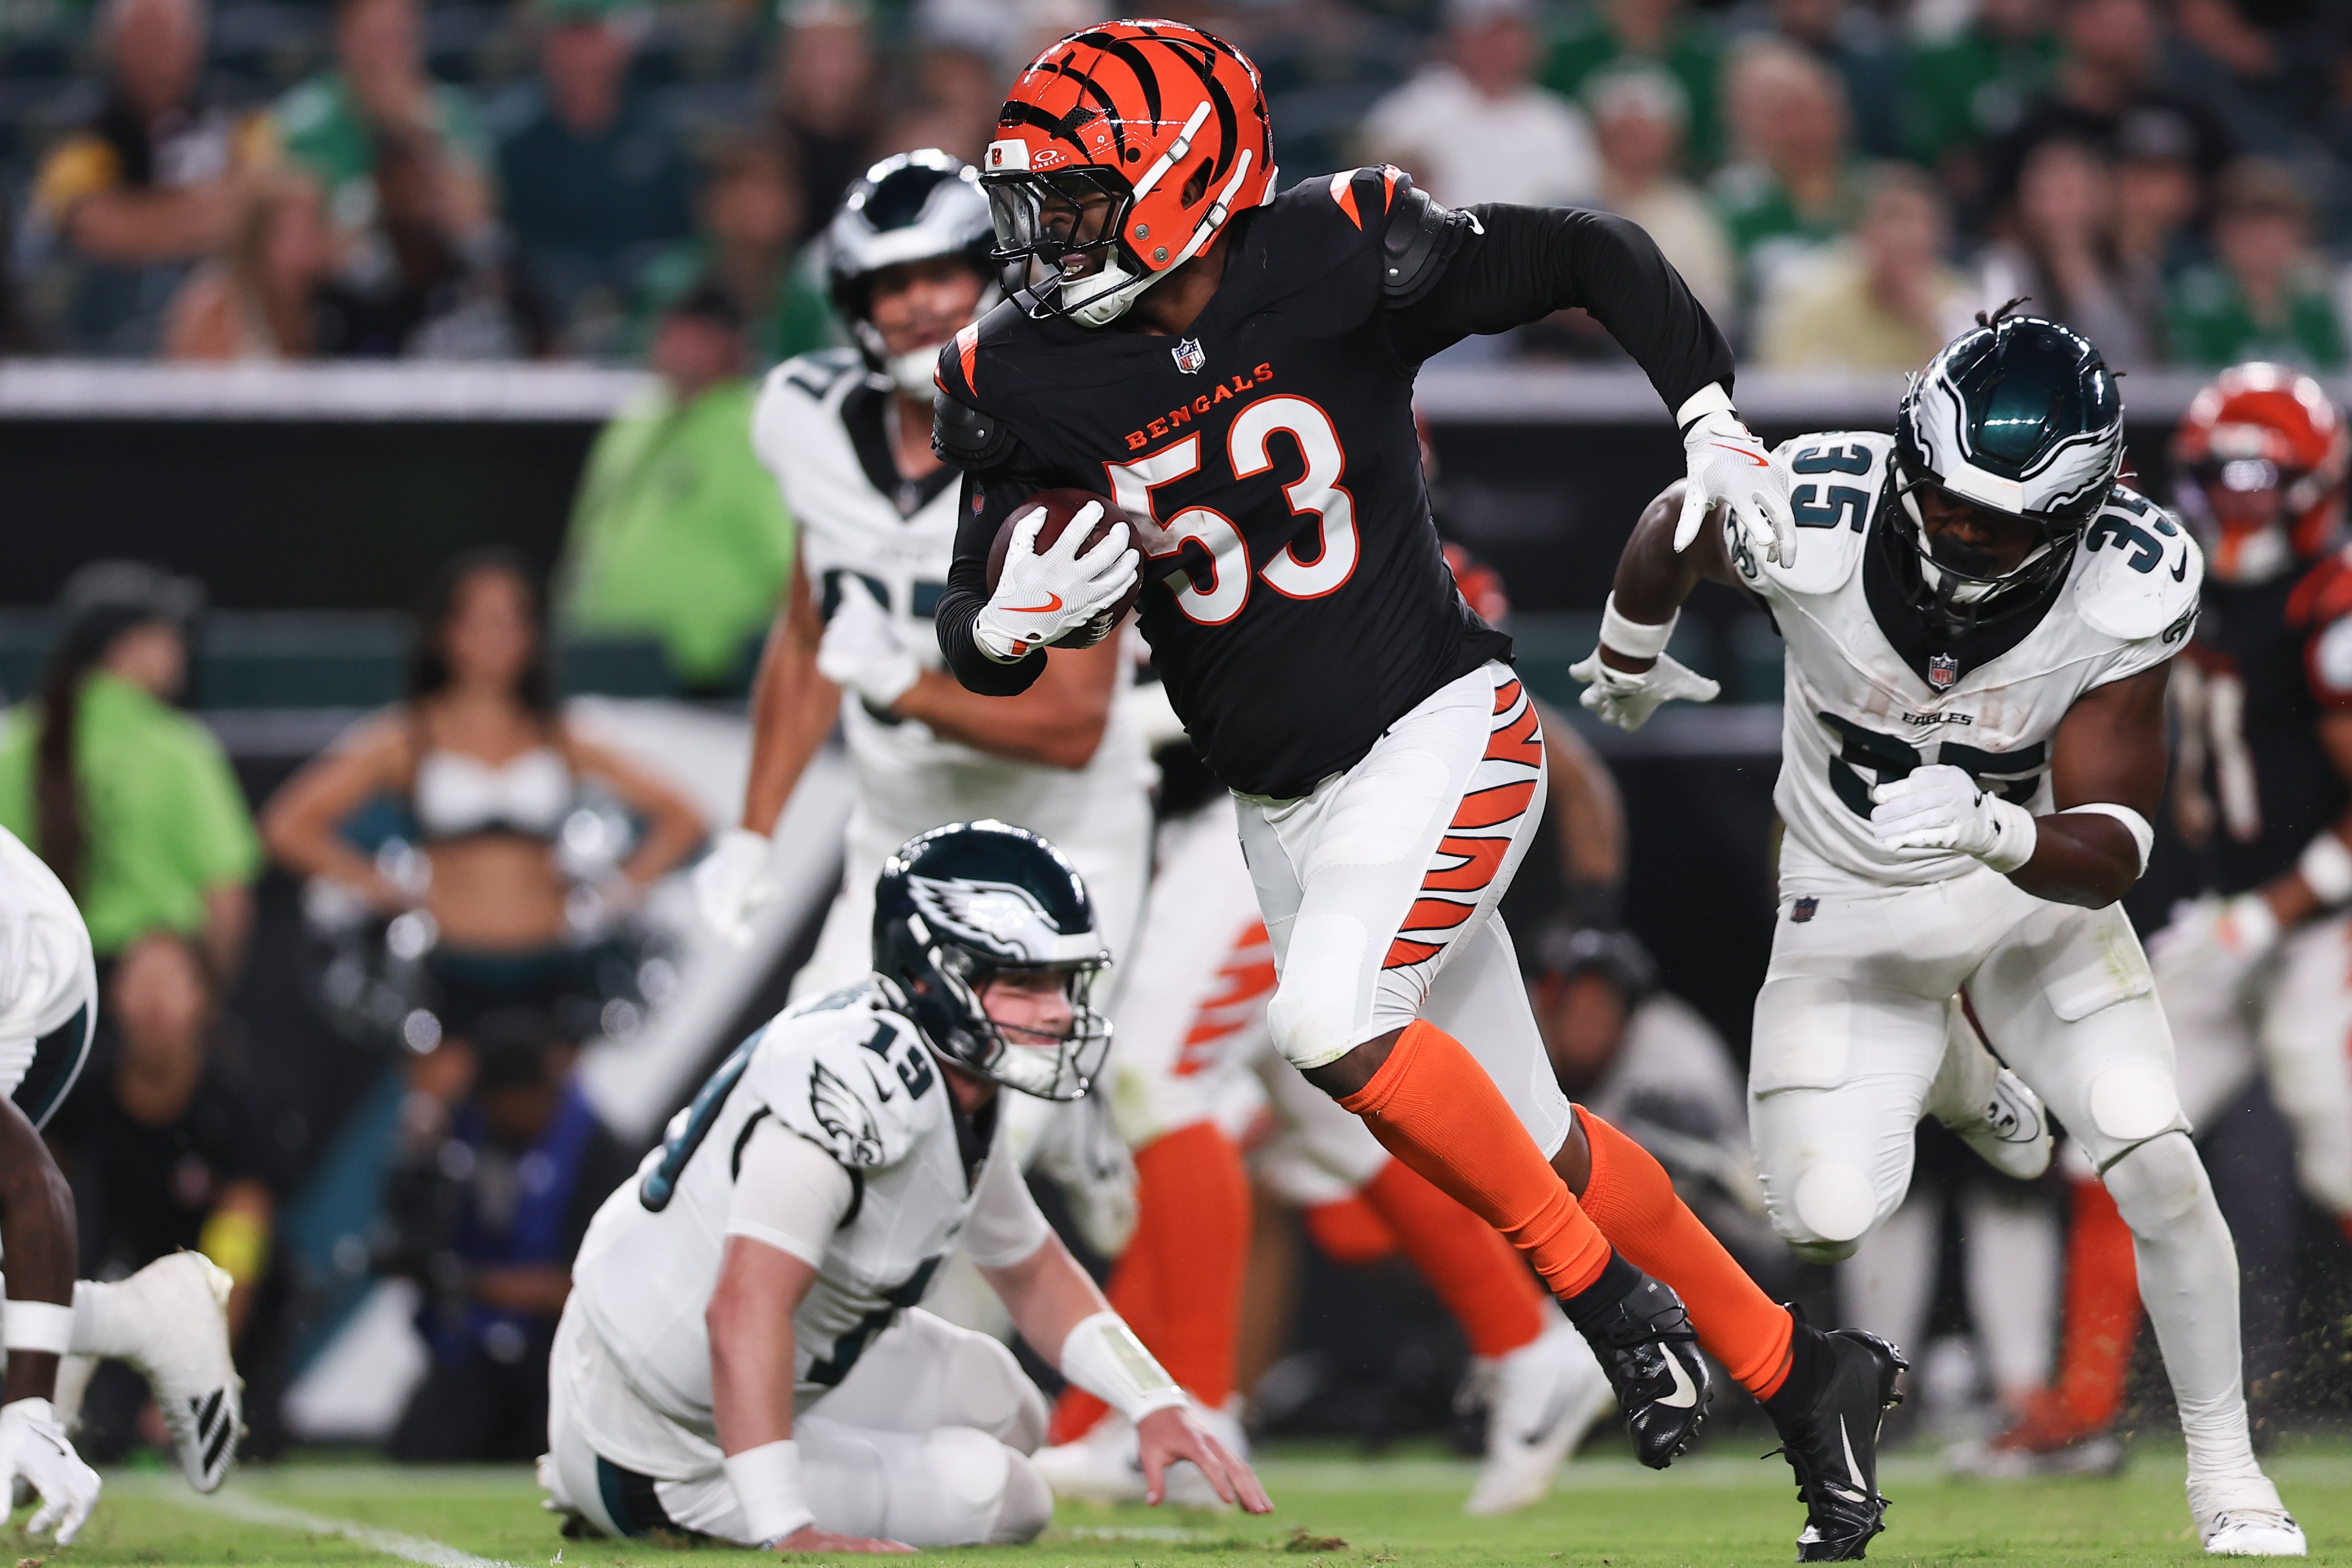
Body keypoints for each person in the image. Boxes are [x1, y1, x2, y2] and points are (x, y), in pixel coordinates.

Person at [933, 20, 1906, 1562]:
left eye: (1070, 200)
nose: (1040, 241)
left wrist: (1709, 415)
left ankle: (1599, 1302)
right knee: (1539, 1135)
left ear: (1184, 184)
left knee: (1328, 1023)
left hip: (1439, 728)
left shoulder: (1333, 252)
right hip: (1279, 808)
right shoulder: (1023, 374)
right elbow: (969, 617)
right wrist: (994, 625)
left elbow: (1590, 251)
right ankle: (1805, 1373)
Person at [1575, 306, 2305, 1556]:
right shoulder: (1811, 501)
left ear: (2076, 521)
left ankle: (2227, 1472)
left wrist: (1992, 826)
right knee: (1818, 1213)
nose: (1957, 533)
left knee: (2150, 1142)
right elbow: (1668, 527)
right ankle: (1969, 1075)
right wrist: (1629, 655)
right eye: (1945, 497)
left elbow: (2116, 839)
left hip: (2026, 900)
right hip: (1846, 905)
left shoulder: (2129, 581)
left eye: (1997, 521)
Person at [543, 822, 1270, 1548]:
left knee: (1003, 1403)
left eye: (1061, 981)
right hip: (657, 1436)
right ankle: (626, 1495)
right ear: (930, 977)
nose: (1056, 1010)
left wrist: (1153, 1402)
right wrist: (787, 1527)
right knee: (1004, 1495)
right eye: (1023, 981)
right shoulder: (853, 1091)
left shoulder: (944, 1077)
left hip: (760, 1366)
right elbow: (742, 1308)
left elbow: (1035, 1274)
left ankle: (769, 1458)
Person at [1037, 769, 1617, 1519]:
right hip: (1275, 813)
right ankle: (1524, 1344)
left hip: (1281, 810)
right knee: (1322, 1117)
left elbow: (1081, 721)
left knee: (1157, 1077)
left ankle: (1199, 1413)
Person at [1984, 364, 2352, 1470]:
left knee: (2335, 1143)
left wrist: (2277, 908)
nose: (2237, 501)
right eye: (2220, 477)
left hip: (2323, 914)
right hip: (2230, 911)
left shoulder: (2327, 601)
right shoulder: (2169, 584)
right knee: (2111, 1132)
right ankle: (2085, 1409)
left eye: (2259, 478)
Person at [262, 550, 703, 1044]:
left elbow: (683, 817)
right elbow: (288, 825)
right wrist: (378, 886)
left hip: (552, 971)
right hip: (448, 976)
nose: (495, 637)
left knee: (553, 1115)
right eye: (479, 621)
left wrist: (611, 895)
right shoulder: (406, 738)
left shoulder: (561, 736)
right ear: (444, 633)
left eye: (512, 621)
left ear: (532, 637)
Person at [380, 1010, 636, 1462]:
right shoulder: (459, 1140)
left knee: (564, 1452)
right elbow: (408, 1224)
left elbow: (589, 1289)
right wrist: (422, 1130)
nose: (504, 1117)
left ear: (542, 1093)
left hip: (561, 1357)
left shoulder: (599, 1154)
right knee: (423, 1449)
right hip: (473, 1356)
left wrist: (469, 1282)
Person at [23, 0, 266, 354]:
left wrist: (144, 221)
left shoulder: (238, 118)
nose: (156, 52)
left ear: (195, 43)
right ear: (110, 45)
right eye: (142, 37)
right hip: (101, 334)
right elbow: (88, 223)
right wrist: (210, 216)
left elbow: (263, 209)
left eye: (169, 35)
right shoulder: (79, 132)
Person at [495, 0, 694, 356]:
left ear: (619, 42)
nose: (580, 54)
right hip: (537, 332)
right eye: (568, 36)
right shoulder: (509, 143)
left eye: (592, 36)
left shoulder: (664, 138)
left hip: (651, 325)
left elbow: (683, 245)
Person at [1359, 0, 1600, 211]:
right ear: (1460, 37)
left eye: (1512, 33)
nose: (1502, 47)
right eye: (1489, 35)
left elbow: (1580, 203)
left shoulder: (1558, 119)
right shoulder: (1412, 110)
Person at [633, 138, 834, 371]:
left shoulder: (805, 295)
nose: (771, 206)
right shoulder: (674, 283)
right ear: (716, 201)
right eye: (756, 189)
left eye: (783, 190)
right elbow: (638, 368)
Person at [1756, 163, 1976, 372]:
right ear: (1861, 230)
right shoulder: (1812, 300)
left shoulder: (1961, 305)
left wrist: (1929, 321)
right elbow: (1783, 392)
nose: (1905, 235)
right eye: (1892, 217)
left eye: (1918, 221)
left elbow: (1971, 393)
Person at [1976, 138, 2158, 369]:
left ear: (2098, 197)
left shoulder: (2133, 271)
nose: (2057, 209)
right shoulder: (2005, 266)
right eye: (2043, 195)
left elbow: (2132, 355)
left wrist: (2079, 273)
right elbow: (2007, 343)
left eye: (2068, 193)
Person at [1585, 63, 1734, 326]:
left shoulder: (1693, 214)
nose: (1633, 141)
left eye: (1644, 132)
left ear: (1671, 139)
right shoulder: (1571, 201)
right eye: (1622, 131)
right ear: (1599, 135)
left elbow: (1715, 305)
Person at [2167, 160, 2347, 372]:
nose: (2260, 242)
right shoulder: (2195, 300)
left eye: (2272, 231)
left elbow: (2336, 378)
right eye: (2248, 229)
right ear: (2222, 233)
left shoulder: (2318, 304)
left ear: (2298, 235)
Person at [163, 175, 341, 360]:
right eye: (297, 231)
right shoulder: (216, 306)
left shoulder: (326, 307)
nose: (310, 240)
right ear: (260, 237)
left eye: (316, 224)